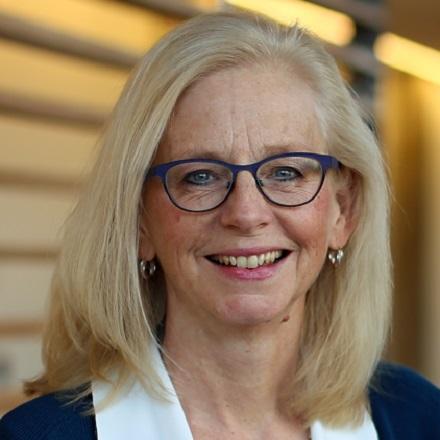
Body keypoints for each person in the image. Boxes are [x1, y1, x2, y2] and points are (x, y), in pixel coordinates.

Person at [1, 11, 439, 440]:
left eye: (286, 172)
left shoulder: (420, 418)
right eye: (200, 176)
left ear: (343, 211)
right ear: (139, 223)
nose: (246, 214)